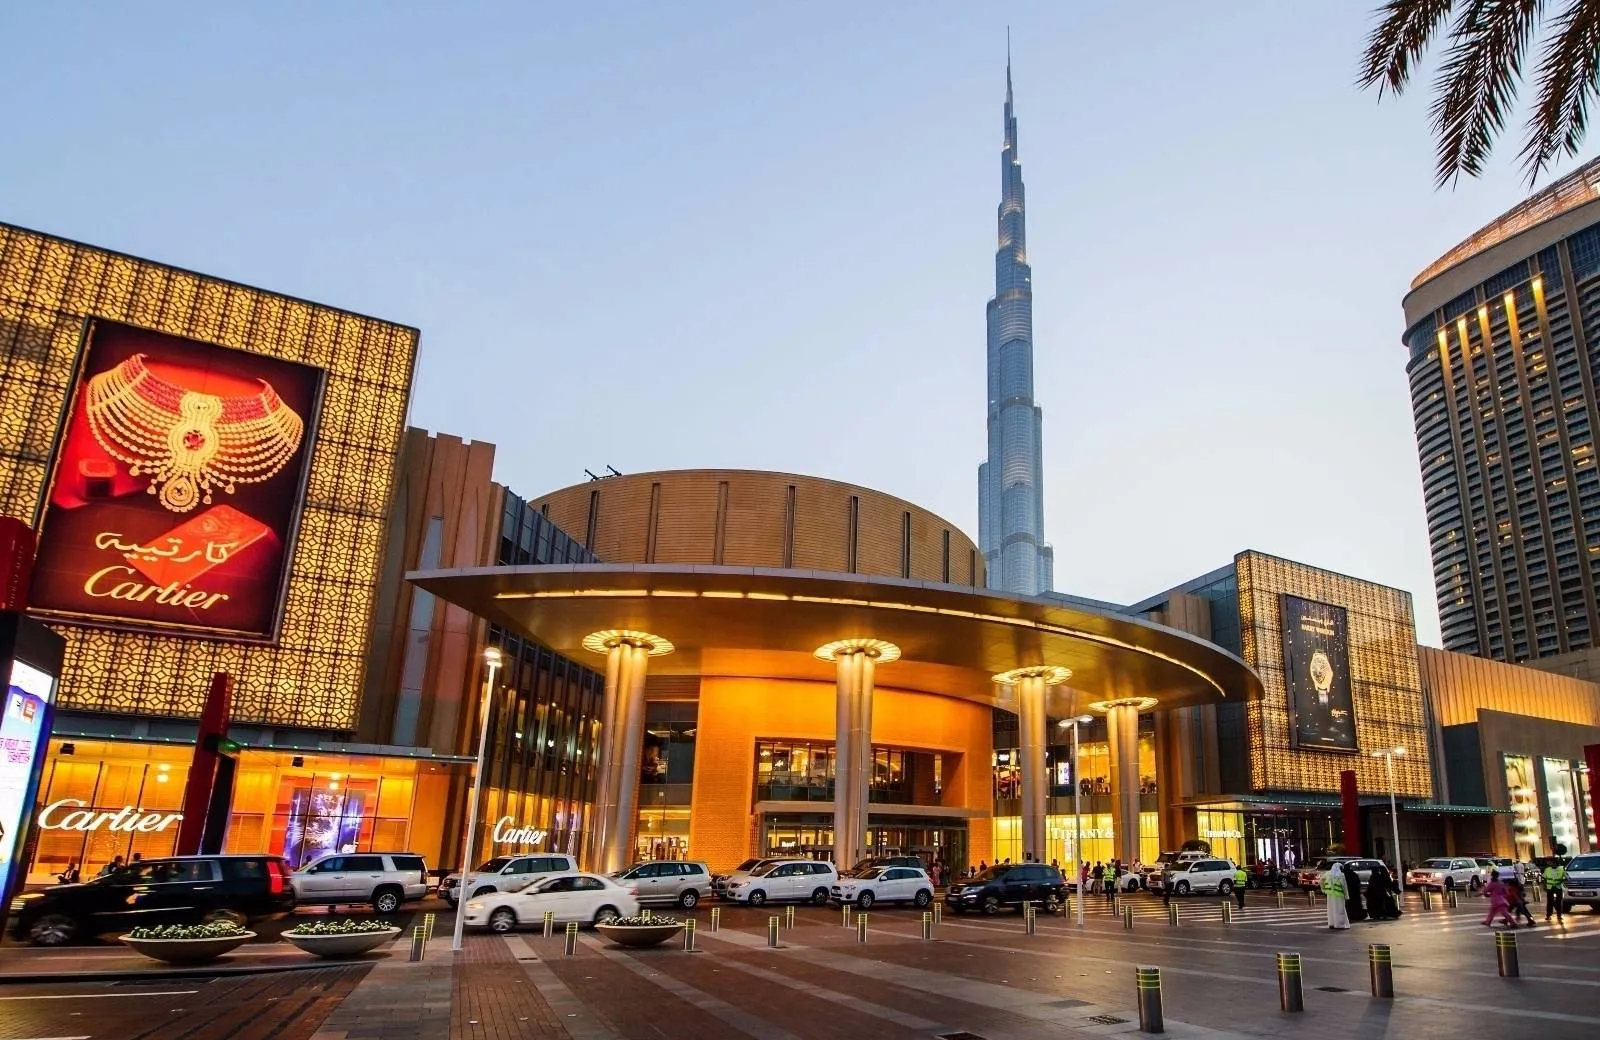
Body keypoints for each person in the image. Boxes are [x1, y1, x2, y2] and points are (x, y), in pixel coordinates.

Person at [1320, 863, 1350, 929]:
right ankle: (1340, 925)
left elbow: (1321, 880)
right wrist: (1347, 896)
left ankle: (1331, 924)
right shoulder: (1341, 875)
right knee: (1340, 910)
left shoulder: (1327, 873)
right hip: (1339, 895)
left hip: (1330, 895)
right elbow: (1344, 886)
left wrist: (1323, 889)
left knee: (1331, 909)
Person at [1543, 857, 1567, 924]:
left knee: (1558, 903)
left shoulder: (1561, 869)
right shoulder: (1547, 869)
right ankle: (1548, 915)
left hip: (1558, 888)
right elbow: (1544, 879)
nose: (1548, 863)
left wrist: (1562, 880)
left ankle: (1559, 916)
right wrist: (1544, 886)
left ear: (1554, 862)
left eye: (1549, 862)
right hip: (1550, 888)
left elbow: (1566, 877)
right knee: (1549, 902)